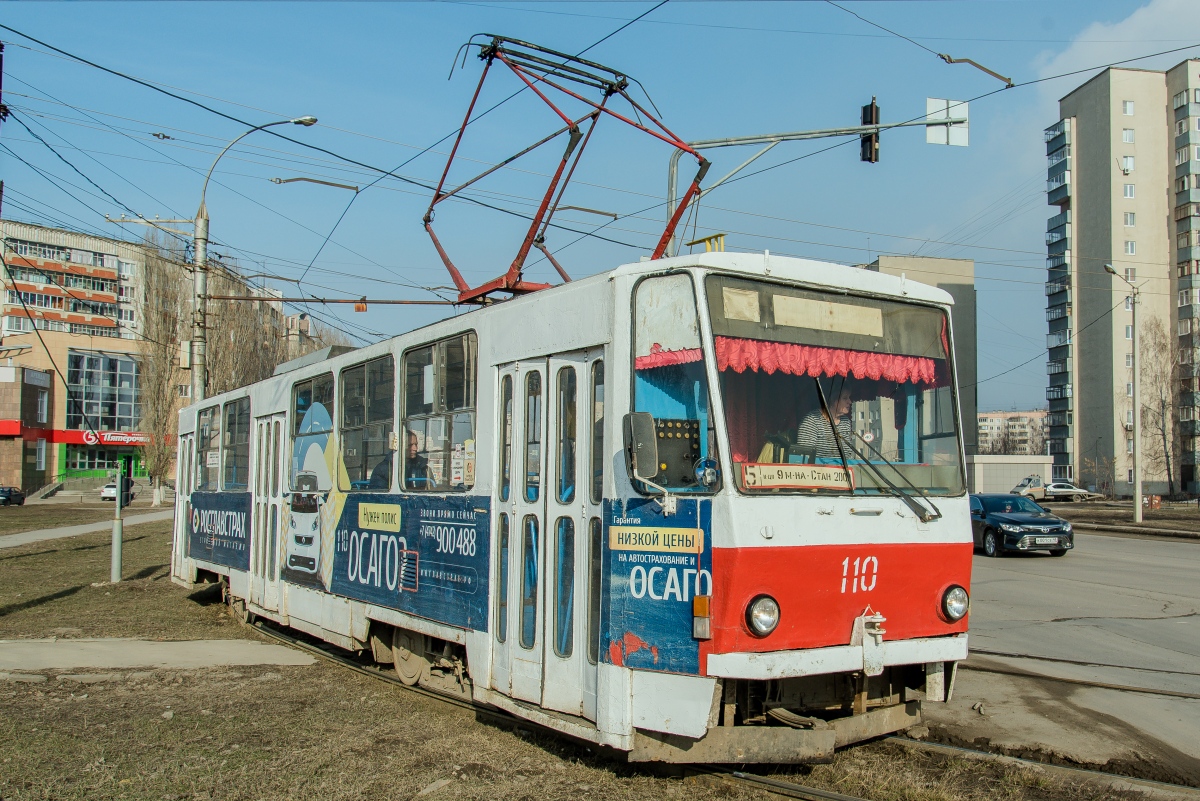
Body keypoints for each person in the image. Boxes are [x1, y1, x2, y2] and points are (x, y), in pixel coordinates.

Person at [795, 382, 854, 461]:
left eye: (849, 397)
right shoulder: (811, 420)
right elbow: (805, 456)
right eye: (845, 398)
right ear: (833, 400)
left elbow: (848, 455)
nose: (849, 402)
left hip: (841, 471)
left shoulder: (846, 422)